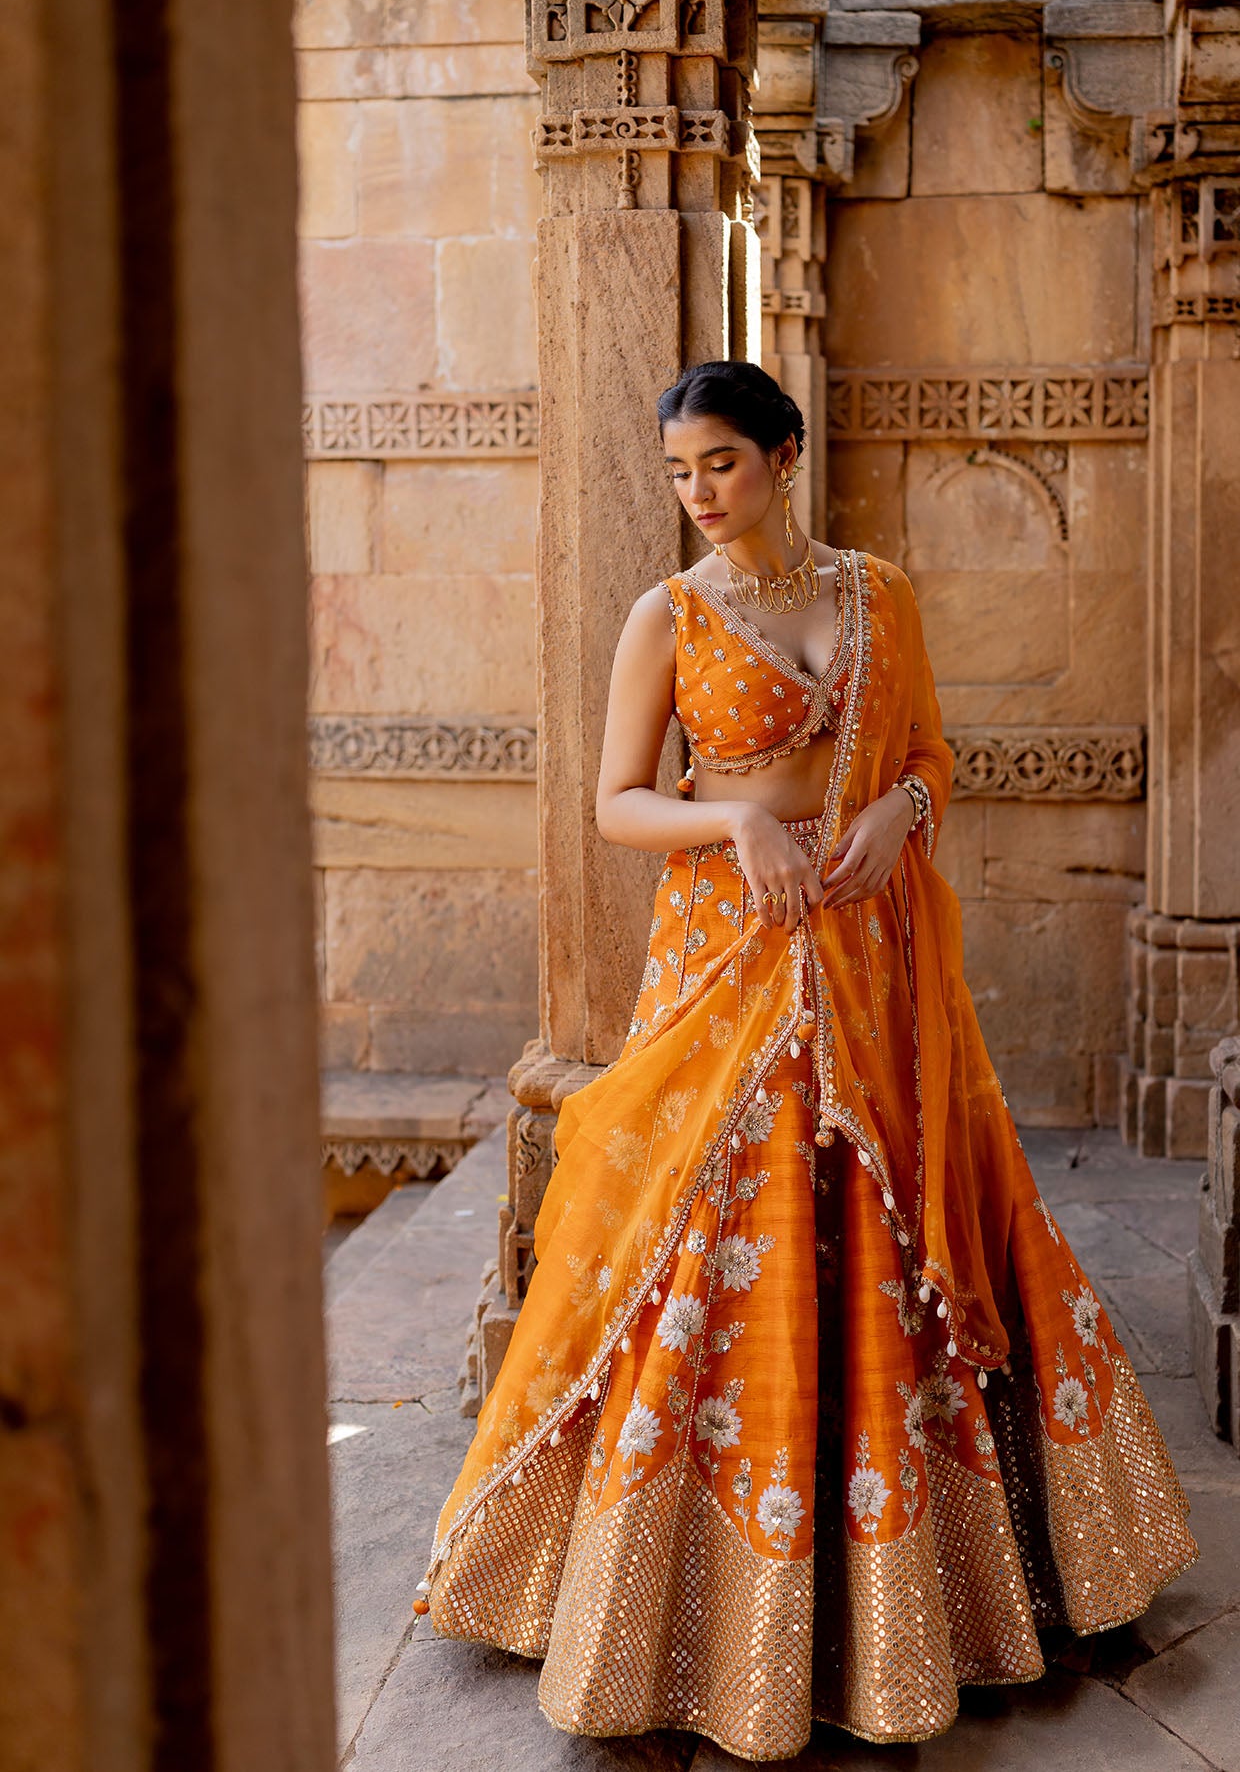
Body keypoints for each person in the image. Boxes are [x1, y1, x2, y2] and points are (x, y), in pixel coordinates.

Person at [413, 360, 1197, 1760]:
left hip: (881, 972)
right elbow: (616, 804)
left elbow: (937, 757)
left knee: (908, 1233)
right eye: (677, 474)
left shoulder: (876, 593)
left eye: (719, 463)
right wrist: (739, 828)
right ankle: (698, 1602)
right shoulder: (669, 617)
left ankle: (938, 1588)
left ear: (781, 453)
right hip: (738, 968)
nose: (699, 496)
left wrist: (903, 806)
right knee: (733, 1242)